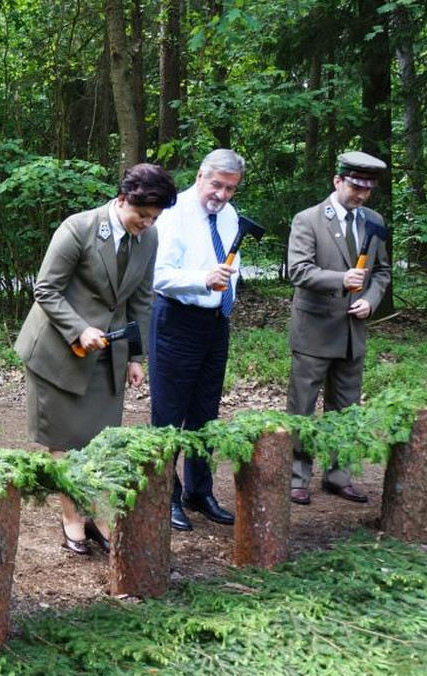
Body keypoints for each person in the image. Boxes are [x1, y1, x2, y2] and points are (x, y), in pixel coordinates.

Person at [15, 163, 175, 555]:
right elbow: (46, 290)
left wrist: (136, 356)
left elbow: (141, 299)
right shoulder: (79, 229)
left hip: (108, 355)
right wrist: (79, 328)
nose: (147, 223)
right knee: (65, 442)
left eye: (154, 218)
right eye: (142, 215)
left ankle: (100, 515)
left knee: (100, 443)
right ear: (122, 200)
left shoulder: (149, 239)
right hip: (58, 351)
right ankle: (71, 517)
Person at [286, 151, 392, 505]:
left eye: (367, 189)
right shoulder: (308, 220)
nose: (360, 195)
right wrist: (340, 279)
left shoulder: (374, 221)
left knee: (347, 410)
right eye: (355, 186)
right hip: (314, 332)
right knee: (302, 407)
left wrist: (371, 301)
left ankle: (338, 474)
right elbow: (298, 270)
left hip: (352, 333)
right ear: (337, 181)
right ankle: (297, 476)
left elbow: (381, 272)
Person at [150, 149, 246, 532]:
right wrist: (201, 280)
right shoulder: (174, 213)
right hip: (176, 319)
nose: (221, 195)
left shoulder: (230, 216)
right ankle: (165, 494)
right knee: (170, 414)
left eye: (230, 189)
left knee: (206, 411)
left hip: (215, 322)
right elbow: (158, 276)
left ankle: (198, 490)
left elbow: (231, 266)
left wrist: (223, 293)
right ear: (201, 176)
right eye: (217, 185)